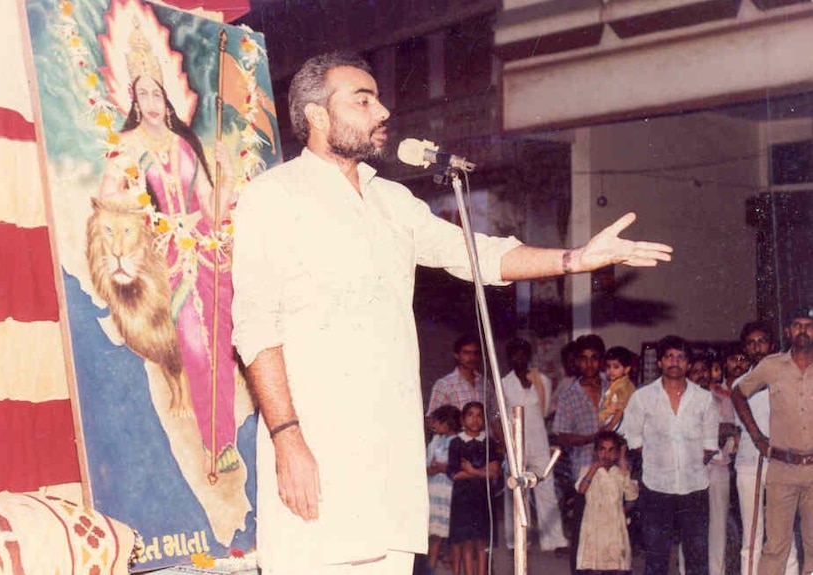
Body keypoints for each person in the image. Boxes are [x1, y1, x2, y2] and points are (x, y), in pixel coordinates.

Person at [230, 51, 673, 575]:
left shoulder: (392, 201)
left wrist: (576, 258)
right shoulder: (272, 197)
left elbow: (481, 254)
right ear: (318, 116)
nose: (383, 111)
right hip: (317, 449)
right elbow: (257, 329)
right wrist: (288, 441)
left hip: (390, 455)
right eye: (364, 99)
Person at [98, 23, 240, 472]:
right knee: (194, 350)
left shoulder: (183, 146)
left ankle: (225, 444)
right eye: (144, 95)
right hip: (165, 257)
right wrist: (139, 201)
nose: (153, 103)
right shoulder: (127, 146)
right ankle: (212, 442)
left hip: (203, 250)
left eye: (158, 94)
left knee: (220, 349)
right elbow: (106, 197)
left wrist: (226, 174)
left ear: (166, 99)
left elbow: (213, 210)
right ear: (134, 102)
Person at [620, 335, 718, 575]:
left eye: (681, 357)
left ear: (688, 363)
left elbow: (709, 446)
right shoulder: (642, 397)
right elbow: (633, 438)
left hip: (694, 489)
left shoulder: (704, 399)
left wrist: (686, 463)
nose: (675, 361)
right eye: (669, 356)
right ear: (661, 362)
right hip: (656, 488)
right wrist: (660, 460)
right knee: (656, 556)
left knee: (697, 555)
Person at [732, 306, 813, 575]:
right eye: (797, 326)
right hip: (782, 469)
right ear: (788, 332)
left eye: (808, 325)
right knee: (776, 546)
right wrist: (756, 436)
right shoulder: (772, 365)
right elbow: (738, 394)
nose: (803, 330)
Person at [501, 338, 568, 554]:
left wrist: (536, 381)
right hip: (515, 444)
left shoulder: (543, 381)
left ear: (528, 357)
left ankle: (554, 538)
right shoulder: (504, 383)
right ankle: (517, 540)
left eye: (523, 354)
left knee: (546, 487)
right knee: (516, 491)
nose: (518, 358)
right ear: (509, 358)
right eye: (514, 354)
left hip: (539, 441)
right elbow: (500, 417)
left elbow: (545, 411)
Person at [552, 334, 608, 573]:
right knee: (583, 528)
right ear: (577, 362)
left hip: (613, 470)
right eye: (584, 359)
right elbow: (561, 434)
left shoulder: (614, 386)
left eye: (594, 359)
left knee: (610, 529)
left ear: (602, 361)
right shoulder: (569, 394)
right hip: (584, 470)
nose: (589, 365)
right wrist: (590, 439)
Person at [447, 402, 502, 575]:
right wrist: (481, 472)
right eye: (470, 415)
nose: (475, 419)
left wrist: (471, 470)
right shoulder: (456, 443)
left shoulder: (489, 443)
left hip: (483, 498)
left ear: (484, 420)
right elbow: (455, 474)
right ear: (463, 420)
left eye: (479, 415)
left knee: (482, 543)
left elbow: (494, 473)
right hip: (462, 499)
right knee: (467, 542)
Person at [575, 430, 639, 575]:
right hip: (593, 526)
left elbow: (632, 496)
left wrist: (620, 513)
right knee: (593, 563)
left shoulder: (620, 473)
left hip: (614, 529)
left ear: (617, 453)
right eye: (602, 449)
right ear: (596, 452)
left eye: (611, 450)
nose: (606, 454)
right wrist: (594, 467)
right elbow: (581, 489)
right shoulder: (587, 471)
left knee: (614, 564)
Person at [705, 343, 744, 575]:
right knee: (708, 524)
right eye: (732, 359)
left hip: (741, 462)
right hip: (714, 464)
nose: (737, 364)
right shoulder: (713, 393)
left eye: (742, 359)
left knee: (733, 524)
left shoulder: (751, 390)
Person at [426, 335, 498, 429]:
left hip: (485, 442)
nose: (471, 357)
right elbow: (431, 420)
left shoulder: (485, 384)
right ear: (456, 355)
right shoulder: (444, 385)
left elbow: (494, 417)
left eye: (475, 353)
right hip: (458, 442)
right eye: (466, 353)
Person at [426, 404, 460, 575]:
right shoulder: (436, 441)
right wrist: (438, 467)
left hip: (450, 494)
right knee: (435, 538)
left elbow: (454, 466)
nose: (434, 426)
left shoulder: (458, 441)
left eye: (438, 423)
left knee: (453, 541)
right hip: (435, 493)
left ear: (447, 423)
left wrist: (442, 467)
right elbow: (430, 465)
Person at [599, 346, 637, 431]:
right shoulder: (615, 383)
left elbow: (620, 409)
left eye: (616, 367)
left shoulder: (623, 387)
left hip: (620, 420)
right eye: (608, 367)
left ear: (626, 369)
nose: (611, 371)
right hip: (613, 417)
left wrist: (610, 425)